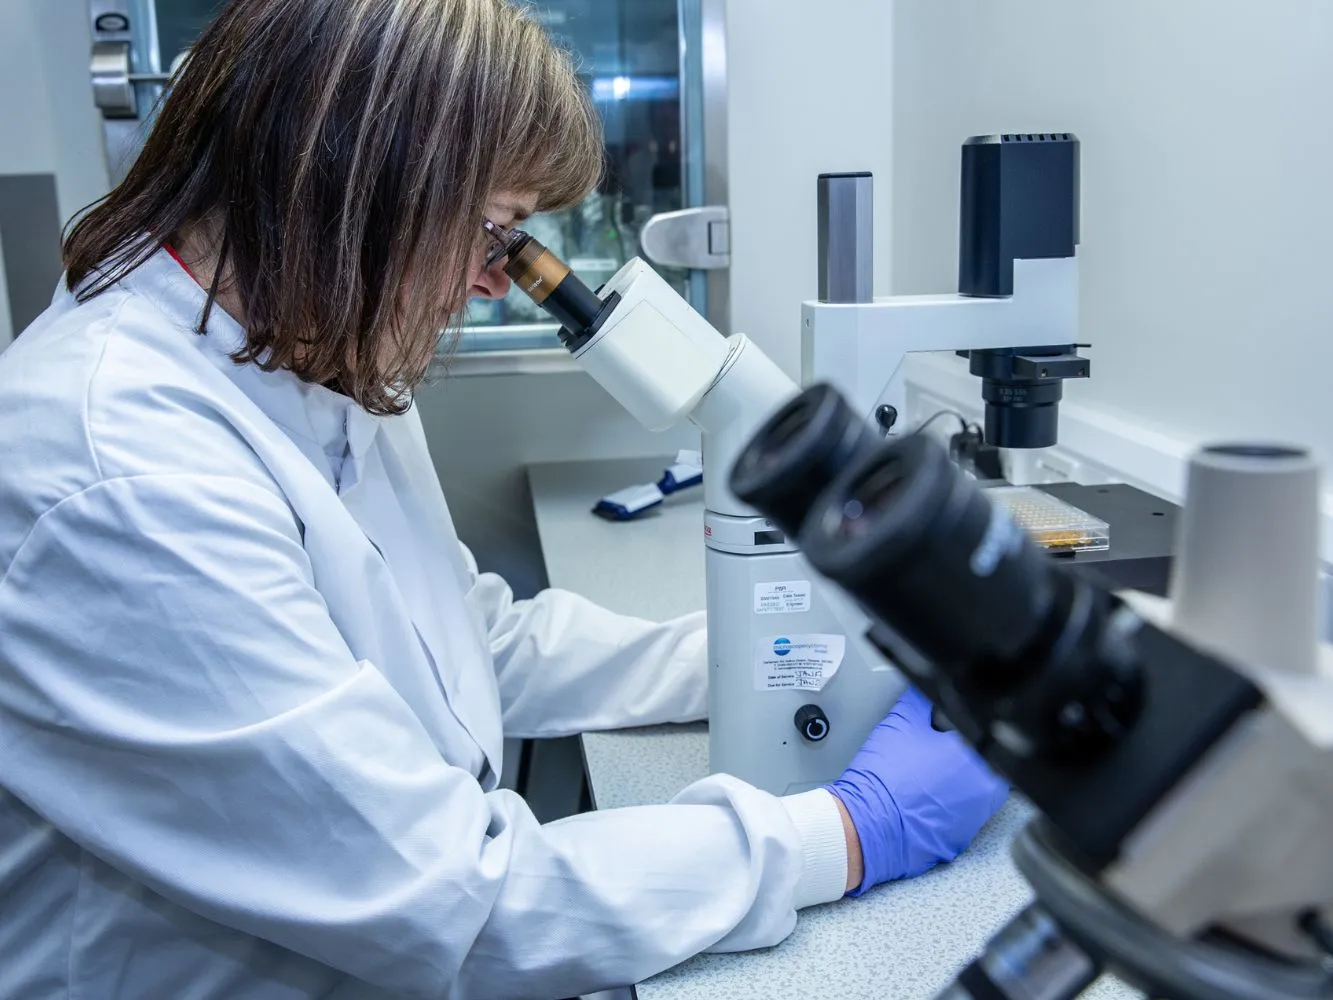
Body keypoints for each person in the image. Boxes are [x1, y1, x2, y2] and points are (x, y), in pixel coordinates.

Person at [0, 1, 1007, 997]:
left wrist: (779, 657)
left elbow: (471, 647)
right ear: (358, 178)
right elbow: (455, 897)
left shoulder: (316, 351)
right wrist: (849, 830)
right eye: (498, 234)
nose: (495, 285)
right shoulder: (120, 468)